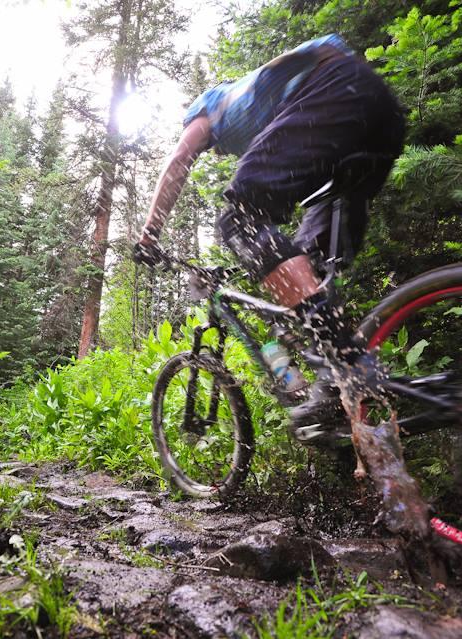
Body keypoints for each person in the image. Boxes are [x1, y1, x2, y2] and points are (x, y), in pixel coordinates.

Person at [133, 34, 406, 444]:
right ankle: (336, 395)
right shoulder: (270, 101)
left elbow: (178, 161)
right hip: (378, 115)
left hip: (334, 89)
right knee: (310, 272)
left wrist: (150, 233)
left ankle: (345, 360)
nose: (218, 153)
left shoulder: (212, 106)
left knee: (240, 218)